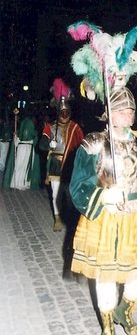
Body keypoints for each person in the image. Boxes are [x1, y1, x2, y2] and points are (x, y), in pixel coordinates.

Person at [70, 86, 137, 335]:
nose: (125, 114)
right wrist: (103, 195)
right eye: (119, 110)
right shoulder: (93, 143)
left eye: (129, 110)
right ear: (108, 113)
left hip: (136, 218)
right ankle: (107, 328)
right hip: (104, 218)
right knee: (104, 276)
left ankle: (125, 309)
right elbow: (77, 185)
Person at [39, 80, 84, 231]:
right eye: (62, 112)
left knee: (71, 194)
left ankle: (71, 218)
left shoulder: (76, 128)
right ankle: (57, 218)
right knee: (55, 194)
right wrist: (48, 144)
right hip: (56, 164)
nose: (64, 115)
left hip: (70, 164)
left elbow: (82, 146)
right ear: (58, 112)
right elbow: (41, 145)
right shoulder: (50, 127)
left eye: (67, 112)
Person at [3, 114, 41, 190]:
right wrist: (15, 137)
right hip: (25, 149)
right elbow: (18, 142)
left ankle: (22, 183)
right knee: (21, 166)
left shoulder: (22, 131)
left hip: (25, 149)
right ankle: (17, 183)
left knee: (24, 166)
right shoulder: (24, 131)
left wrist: (16, 137)